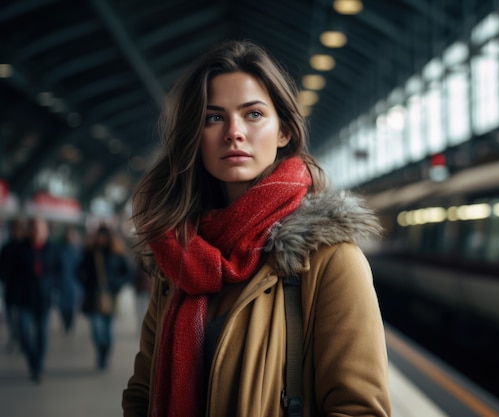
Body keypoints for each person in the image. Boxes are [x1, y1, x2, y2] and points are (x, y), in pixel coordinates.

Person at [122, 39, 391, 417]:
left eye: (253, 114)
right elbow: (142, 394)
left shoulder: (331, 261)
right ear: (194, 138)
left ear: (284, 132)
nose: (234, 131)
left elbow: (358, 409)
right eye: (213, 117)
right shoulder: (177, 258)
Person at [78, 225, 131, 370]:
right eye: (99, 236)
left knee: (109, 331)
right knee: (96, 329)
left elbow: (128, 273)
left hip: (111, 297)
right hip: (94, 297)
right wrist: (88, 285)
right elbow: (79, 270)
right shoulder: (90, 253)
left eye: (104, 236)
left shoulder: (117, 254)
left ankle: (105, 355)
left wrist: (116, 286)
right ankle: (100, 352)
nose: (101, 239)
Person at [14, 217, 60, 382]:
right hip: (24, 297)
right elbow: (10, 271)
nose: (37, 232)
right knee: (24, 333)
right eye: (34, 228)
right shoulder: (20, 248)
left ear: (46, 231)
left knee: (41, 333)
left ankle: (38, 367)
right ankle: (32, 359)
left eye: (40, 229)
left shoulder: (52, 248)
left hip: (44, 297)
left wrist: (52, 285)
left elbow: (58, 270)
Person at [0, 217, 27, 352]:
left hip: (24, 290)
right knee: (11, 316)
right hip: (11, 288)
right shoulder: (7, 247)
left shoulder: (25, 247)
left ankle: (21, 339)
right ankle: (14, 338)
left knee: (22, 318)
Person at [57, 226, 83, 334]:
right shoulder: (60, 251)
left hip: (74, 284)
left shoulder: (78, 251)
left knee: (72, 306)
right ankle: (65, 323)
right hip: (62, 283)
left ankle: (70, 324)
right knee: (62, 306)